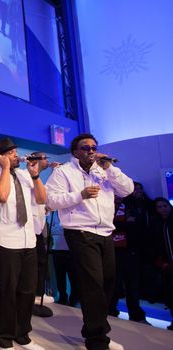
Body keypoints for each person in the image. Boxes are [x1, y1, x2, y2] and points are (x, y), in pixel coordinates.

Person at [46, 133, 134, 350]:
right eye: (86, 148)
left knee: (107, 282)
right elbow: (51, 200)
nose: (91, 151)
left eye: (94, 147)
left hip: (105, 233)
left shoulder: (102, 170)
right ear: (75, 152)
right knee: (92, 284)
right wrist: (80, 195)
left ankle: (94, 328)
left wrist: (110, 168)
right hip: (80, 232)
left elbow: (128, 189)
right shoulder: (63, 172)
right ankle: (97, 339)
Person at [0, 138, 46, 350]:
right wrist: (4, 170)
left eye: (15, 152)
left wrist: (36, 175)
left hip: (28, 239)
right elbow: (0, 196)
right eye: (10, 153)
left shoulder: (24, 174)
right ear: (0, 157)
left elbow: (41, 199)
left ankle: (23, 335)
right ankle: (4, 336)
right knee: (9, 290)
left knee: (27, 290)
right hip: (4, 239)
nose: (16, 155)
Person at [108, 195, 149, 324]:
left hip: (129, 251)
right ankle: (111, 312)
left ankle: (136, 315)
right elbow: (108, 225)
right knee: (112, 284)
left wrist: (119, 224)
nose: (117, 197)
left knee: (132, 285)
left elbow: (136, 224)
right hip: (111, 251)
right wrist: (125, 223)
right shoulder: (106, 207)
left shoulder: (130, 208)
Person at [29, 152, 55, 305]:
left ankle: (38, 293)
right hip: (29, 228)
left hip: (38, 228)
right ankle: (35, 294)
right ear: (35, 160)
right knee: (35, 263)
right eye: (45, 158)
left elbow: (43, 198)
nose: (47, 160)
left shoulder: (38, 179)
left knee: (40, 261)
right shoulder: (27, 177)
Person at [152, 197, 173, 331]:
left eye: (164, 206)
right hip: (166, 266)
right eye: (159, 207)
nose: (163, 209)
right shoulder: (158, 224)